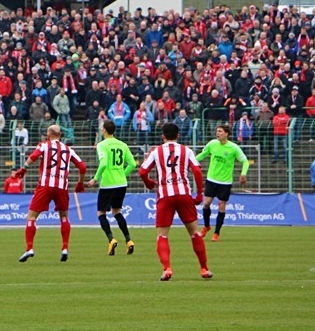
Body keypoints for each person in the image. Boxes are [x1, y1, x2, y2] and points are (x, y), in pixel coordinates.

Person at [138, 122, 212, 282]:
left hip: (165, 195)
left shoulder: (156, 151)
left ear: (162, 136)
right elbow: (197, 171)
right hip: (184, 194)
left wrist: (148, 182)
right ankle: (204, 269)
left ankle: (167, 269)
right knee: (194, 233)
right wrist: (199, 193)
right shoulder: (187, 150)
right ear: (178, 135)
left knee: (162, 236)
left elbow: (143, 171)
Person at [14, 124, 87, 263]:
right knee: (64, 217)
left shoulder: (44, 145)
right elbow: (82, 167)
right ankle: (64, 248)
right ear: (60, 135)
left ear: (49, 134)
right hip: (61, 186)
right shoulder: (68, 150)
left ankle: (29, 248)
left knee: (31, 216)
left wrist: (23, 169)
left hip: (45, 185)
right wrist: (80, 183)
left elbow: (34, 156)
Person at [88, 120, 137, 255]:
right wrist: (122, 174)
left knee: (101, 213)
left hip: (108, 184)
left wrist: (95, 179)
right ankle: (129, 240)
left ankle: (111, 239)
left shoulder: (102, 145)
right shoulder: (122, 144)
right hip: (121, 183)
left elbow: (103, 164)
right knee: (117, 212)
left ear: (104, 130)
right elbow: (133, 164)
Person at [195, 124, 249, 242]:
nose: (217, 133)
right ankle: (207, 226)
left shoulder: (233, 148)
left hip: (225, 182)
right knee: (206, 203)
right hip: (211, 179)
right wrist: (191, 162)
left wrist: (243, 173)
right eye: (217, 131)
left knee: (221, 205)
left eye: (220, 131)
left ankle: (216, 232)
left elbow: (245, 161)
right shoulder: (212, 144)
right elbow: (203, 154)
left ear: (226, 134)